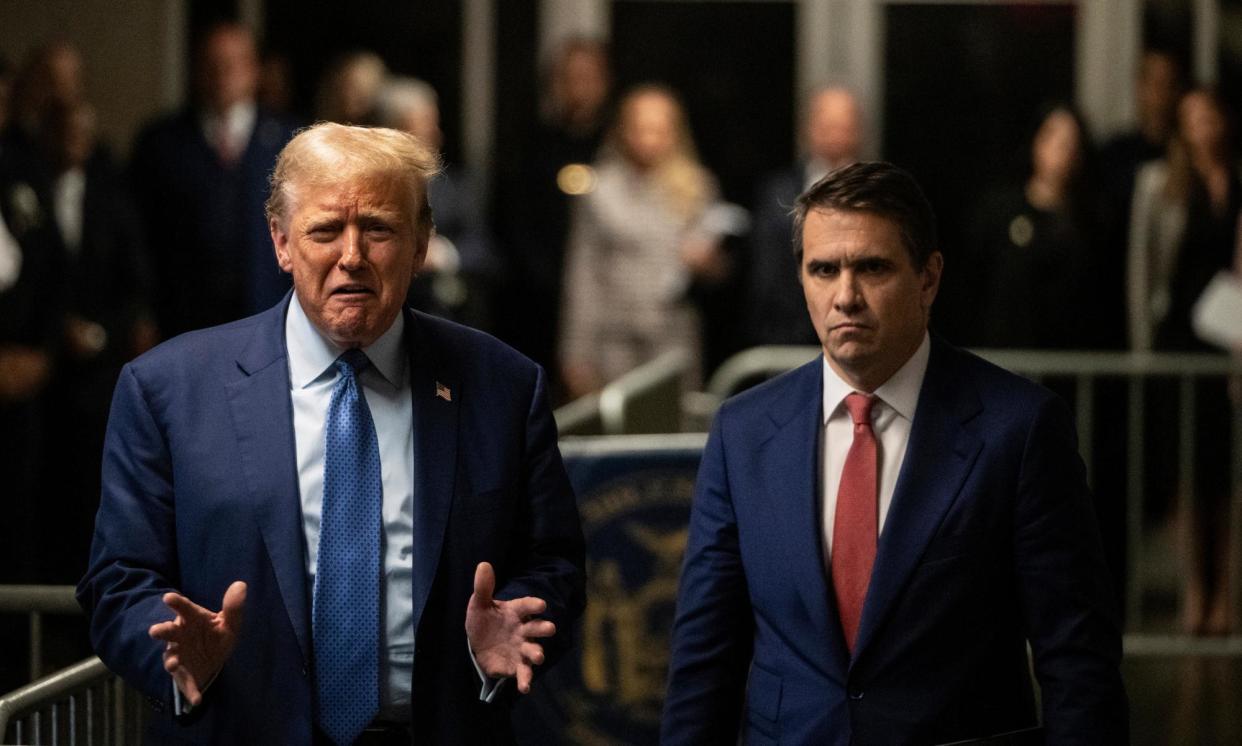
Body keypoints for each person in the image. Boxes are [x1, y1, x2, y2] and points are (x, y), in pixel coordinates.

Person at [77, 123, 586, 744]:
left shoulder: (503, 387)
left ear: (422, 244)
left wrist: (511, 634)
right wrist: (169, 649)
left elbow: (554, 561)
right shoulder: (168, 391)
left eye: (378, 229)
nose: (352, 255)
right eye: (325, 230)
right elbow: (118, 579)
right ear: (282, 242)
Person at [662, 162, 1127, 744]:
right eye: (824, 269)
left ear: (928, 278)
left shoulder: (1020, 428)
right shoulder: (743, 432)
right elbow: (704, 660)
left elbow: (1077, 658)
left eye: (872, 267)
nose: (845, 296)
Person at [1128, 87, 1239, 635]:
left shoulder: (1237, 180)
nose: (1202, 127)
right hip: (1179, 339)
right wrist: (1142, 348)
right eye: (1191, 118)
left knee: (1229, 475)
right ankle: (1194, 590)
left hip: (1232, 341)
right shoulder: (1159, 182)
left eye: (1210, 115)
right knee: (1186, 473)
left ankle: (1228, 595)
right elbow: (1141, 268)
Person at [128, 22, 297, 338]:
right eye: (212, 64)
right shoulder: (160, 143)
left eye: (233, 64)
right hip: (182, 319)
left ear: (254, 69)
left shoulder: (290, 140)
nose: (222, 74)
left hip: (270, 317)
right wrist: (141, 311)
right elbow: (138, 237)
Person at [559, 84, 727, 397]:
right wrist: (575, 354)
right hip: (613, 340)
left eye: (660, 130)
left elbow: (718, 270)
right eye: (642, 129)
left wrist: (708, 262)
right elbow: (583, 274)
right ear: (624, 130)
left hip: (673, 338)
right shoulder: (601, 190)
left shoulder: (697, 186)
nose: (650, 139)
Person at [494, 38, 611, 399]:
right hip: (538, 308)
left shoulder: (616, 149)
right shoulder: (529, 148)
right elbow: (512, 224)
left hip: (606, 309)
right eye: (570, 78)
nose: (580, 89)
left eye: (588, 78)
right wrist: (549, 280)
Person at [969, 104, 1110, 348]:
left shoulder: (1091, 222)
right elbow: (975, 285)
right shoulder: (1000, 212)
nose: (1063, 149)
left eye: (1072, 142)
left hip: (1067, 367)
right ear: (1036, 142)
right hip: (1006, 361)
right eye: (1053, 137)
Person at [375, 76, 498, 328]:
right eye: (425, 127)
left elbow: (486, 251)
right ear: (396, 131)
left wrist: (443, 254)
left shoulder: (452, 187)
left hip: (448, 321)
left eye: (434, 125)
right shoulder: (368, 193)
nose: (435, 136)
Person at [746, 86, 863, 347]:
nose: (835, 134)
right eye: (827, 125)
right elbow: (766, 270)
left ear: (857, 130)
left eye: (843, 126)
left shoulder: (879, 191)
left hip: (857, 327)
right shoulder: (777, 190)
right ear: (809, 128)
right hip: (788, 335)